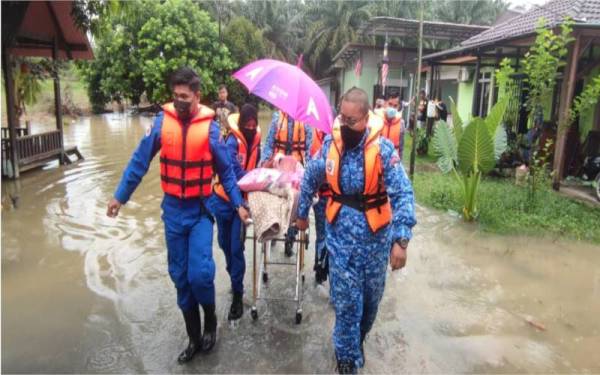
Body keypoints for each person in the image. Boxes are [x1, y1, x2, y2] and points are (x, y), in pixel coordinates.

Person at [106, 67, 250, 364]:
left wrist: (238, 203)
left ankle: (210, 321)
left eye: (185, 96)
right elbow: (139, 161)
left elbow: (226, 172)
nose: (180, 101)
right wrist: (120, 196)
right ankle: (194, 337)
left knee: (200, 274)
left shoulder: (210, 129)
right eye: (176, 96)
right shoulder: (162, 123)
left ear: (198, 96)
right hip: (173, 211)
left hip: (199, 211)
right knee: (180, 278)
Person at [296, 87, 416, 374]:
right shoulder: (330, 146)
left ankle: (358, 339)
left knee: (369, 306)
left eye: (352, 121)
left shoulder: (383, 150)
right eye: (342, 118)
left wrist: (401, 240)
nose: (345, 125)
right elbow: (310, 178)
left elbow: (403, 194)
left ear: (366, 118)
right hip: (340, 242)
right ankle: (346, 359)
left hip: (376, 244)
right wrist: (300, 214)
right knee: (348, 305)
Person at [209, 104, 261, 321]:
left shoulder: (256, 141)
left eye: (253, 124)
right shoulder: (230, 141)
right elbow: (234, 171)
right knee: (224, 244)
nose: (250, 127)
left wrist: (263, 168)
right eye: (247, 124)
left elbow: (255, 165)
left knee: (236, 248)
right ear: (241, 124)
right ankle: (234, 278)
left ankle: (238, 294)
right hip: (223, 201)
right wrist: (255, 175)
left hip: (242, 206)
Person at [261, 110, 312, 256]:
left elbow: (308, 150)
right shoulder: (277, 118)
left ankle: (291, 236)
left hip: (297, 170)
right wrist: (264, 162)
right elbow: (269, 144)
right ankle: (274, 226)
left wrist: (309, 172)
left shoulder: (306, 123)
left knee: (296, 201)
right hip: (278, 167)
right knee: (275, 198)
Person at [309, 127, 330, 284]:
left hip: (335, 199)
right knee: (323, 234)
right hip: (322, 197)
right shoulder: (337, 142)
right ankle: (321, 266)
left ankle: (320, 267)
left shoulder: (335, 143)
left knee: (324, 234)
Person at [381, 91, 405, 159]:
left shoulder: (401, 123)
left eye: (395, 106)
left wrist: (399, 162)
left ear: (399, 107)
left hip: (393, 160)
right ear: (385, 103)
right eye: (390, 104)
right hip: (379, 159)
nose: (392, 108)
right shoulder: (377, 120)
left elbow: (401, 147)